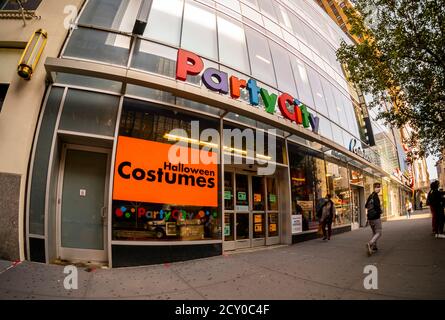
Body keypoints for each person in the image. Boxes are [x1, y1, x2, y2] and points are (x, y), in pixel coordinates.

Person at [365, 183, 383, 256]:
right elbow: (377, 207)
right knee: (379, 232)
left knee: (374, 232)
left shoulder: (370, 196)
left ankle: (374, 247)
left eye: (379, 187)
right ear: (374, 188)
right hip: (375, 217)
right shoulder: (375, 196)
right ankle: (370, 243)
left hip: (370, 218)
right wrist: (380, 211)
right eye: (377, 187)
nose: (378, 188)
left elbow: (366, 205)